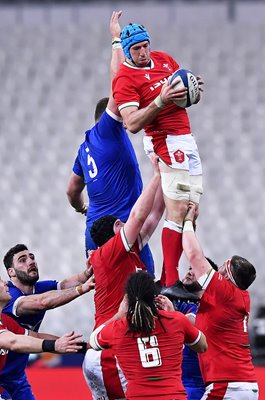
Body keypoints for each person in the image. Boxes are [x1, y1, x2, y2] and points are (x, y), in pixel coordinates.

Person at [112, 19, 204, 288]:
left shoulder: (164, 60)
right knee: (175, 211)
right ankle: (170, 278)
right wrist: (160, 100)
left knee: (191, 209)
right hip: (164, 140)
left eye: (146, 46)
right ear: (128, 51)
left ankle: (171, 276)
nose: (144, 52)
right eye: (137, 48)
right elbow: (132, 124)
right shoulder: (125, 79)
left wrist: (193, 91)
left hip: (186, 137)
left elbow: (183, 96)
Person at [66, 11, 154, 276]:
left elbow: (71, 190)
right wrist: (117, 39)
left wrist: (82, 207)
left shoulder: (84, 149)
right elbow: (118, 86)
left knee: (105, 295)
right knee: (143, 293)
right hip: (121, 230)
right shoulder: (108, 130)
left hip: (94, 233)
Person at [83, 152, 164, 399]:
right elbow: (139, 216)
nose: (130, 226)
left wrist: (166, 175)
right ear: (117, 231)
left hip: (112, 347)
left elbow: (153, 215)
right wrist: (157, 173)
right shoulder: (107, 253)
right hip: (108, 350)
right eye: (122, 224)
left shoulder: (129, 255)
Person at [89, 270, 207, 400]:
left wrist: (120, 314)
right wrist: (173, 315)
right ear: (155, 295)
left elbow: (93, 341)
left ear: (127, 299)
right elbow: (202, 346)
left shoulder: (118, 328)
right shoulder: (176, 321)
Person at [182, 202, 259, 399]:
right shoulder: (238, 298)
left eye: (222, 271)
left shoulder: (226, 291)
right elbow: (196, 322)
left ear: (227, 276)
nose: (217, 273)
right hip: (244, 384)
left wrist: (188, 221)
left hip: (227, 385)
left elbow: (194, 255)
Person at [1, 243, 95, 400]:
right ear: (11, 272)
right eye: (22, 260)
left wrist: (89, 272)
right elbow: (41, 303)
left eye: (32, 257)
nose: (31, 261)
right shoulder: (10, 296)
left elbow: (35, 338)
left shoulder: (39, 289)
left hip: (16, 377)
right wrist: (80, 289)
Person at [157, 258, 218, 400]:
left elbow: (191, 322)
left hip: (197, 388)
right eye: (190, 268)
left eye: (196, 270)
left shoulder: (211, 309)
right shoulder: (182, 304)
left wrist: (172, 315)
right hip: (174, 386)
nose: (190, 272)